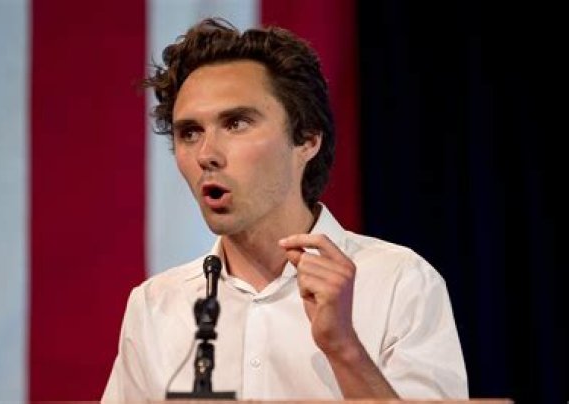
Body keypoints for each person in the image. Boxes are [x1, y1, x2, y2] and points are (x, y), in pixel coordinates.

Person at [102, 18, 467, 401]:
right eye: (189, 132)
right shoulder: (155, 306)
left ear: (306, 138)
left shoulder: (399, 283)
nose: (206, 154)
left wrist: (344, 348)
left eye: (236, 123)